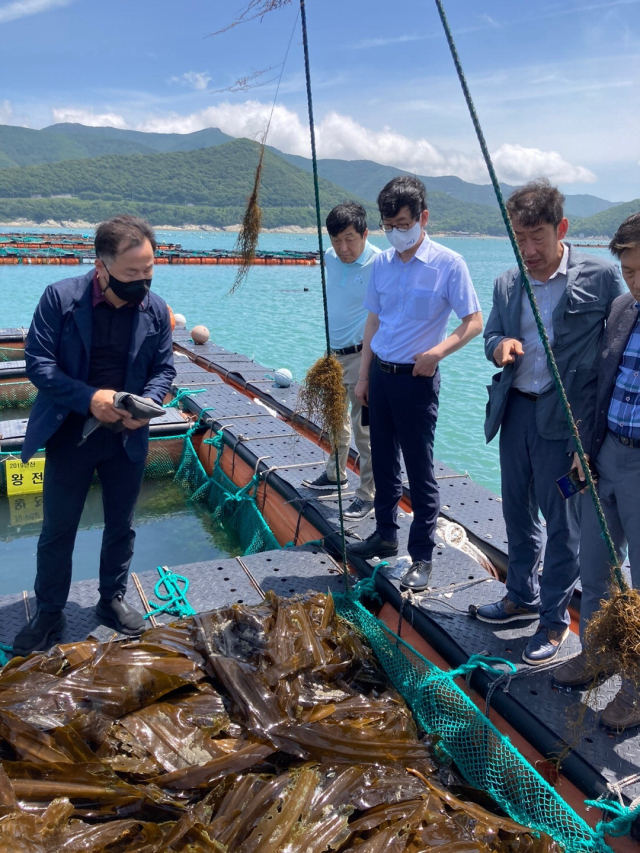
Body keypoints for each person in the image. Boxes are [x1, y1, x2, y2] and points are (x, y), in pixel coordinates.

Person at [13, 215, 176, 656]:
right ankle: (49, 610)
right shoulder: (59, 298)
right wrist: (91, 399)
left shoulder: (156, 310)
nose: (141, 282)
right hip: (70, 432)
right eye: (131, 274)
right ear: (101, 266)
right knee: (58, 528)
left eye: (148, 271)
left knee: (121, 525)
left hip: (127, 436)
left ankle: (111, 600)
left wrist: (148, 406)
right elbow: (39, 365)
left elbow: (165, 370)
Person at [476, 179, 624, 665]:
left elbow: (620, 339)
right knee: (517, 511)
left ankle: (554, 621)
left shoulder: (601, 278)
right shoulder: (506, 283)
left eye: (537, 236)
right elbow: (493, 332)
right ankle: (521, 594)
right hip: (514, 411)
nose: (528, 249)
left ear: (561, 228)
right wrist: (498, 346)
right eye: (519, 239)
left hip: (566, 426)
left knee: (563, 524)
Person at [348, 176, 482, 591]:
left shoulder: (449, 264)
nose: (396, 234)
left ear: (423, 218)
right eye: (388, 226)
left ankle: (421, 556)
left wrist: (437, 353)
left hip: (417, 381)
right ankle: (385, 536)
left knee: (420, 472)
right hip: (382, 378)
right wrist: (364, 376)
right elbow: (374, 320)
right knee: (383, 462)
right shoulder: (382, 264)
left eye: (403, 224)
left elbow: (473, 322)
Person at [554, 212, 640, 728]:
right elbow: (596, 383)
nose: (633, 281)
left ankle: (636, 686)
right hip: (604, 454)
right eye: (627, 270)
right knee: (596, 565)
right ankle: (596, 654)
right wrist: (584, 447)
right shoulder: (622, 308)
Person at [302, 202, 380, 519]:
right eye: (336, 240)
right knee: (336, 419)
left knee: (366, 430)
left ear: (364, 233)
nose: (343, 248)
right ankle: (336, 473)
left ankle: (369, 493)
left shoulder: (381, 262)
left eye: (350, 239)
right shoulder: (330, 258)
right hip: (333, 355)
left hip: (365, 356)